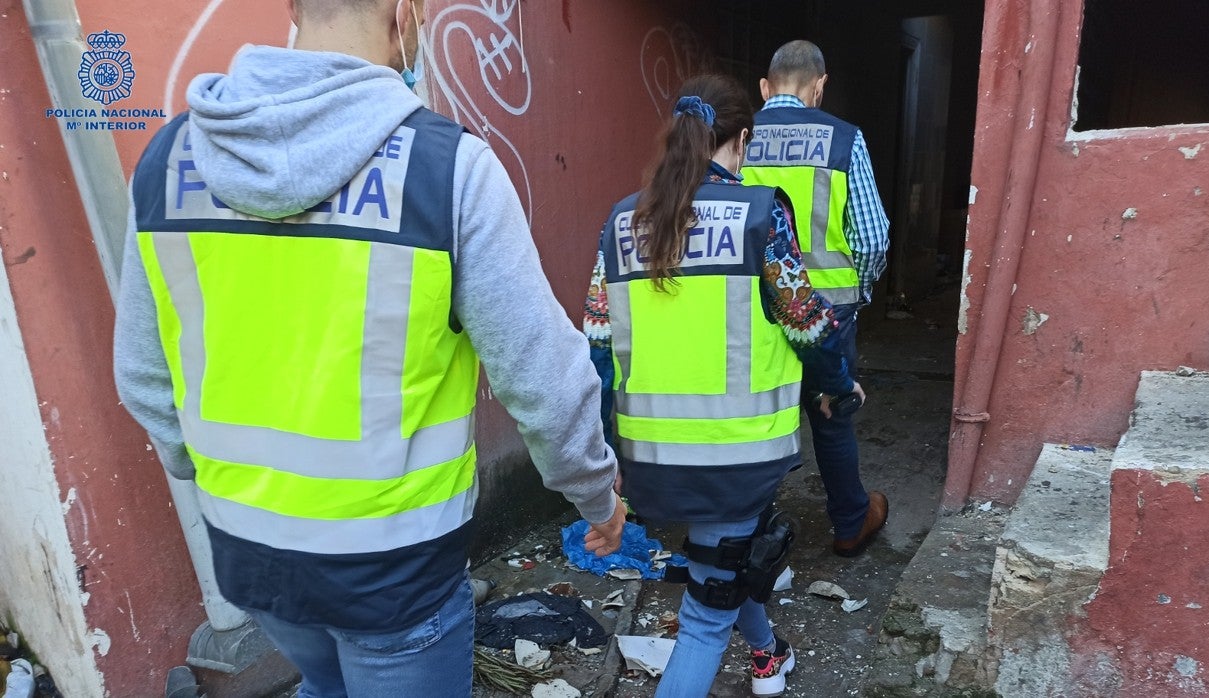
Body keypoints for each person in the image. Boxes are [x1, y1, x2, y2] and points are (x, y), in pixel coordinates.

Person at [112, 0, 625, 695]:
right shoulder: (449, 171)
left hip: (250, 554)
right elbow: (544, 380)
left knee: (326, 685)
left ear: (294, 6)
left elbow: (144, 376)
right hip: (395, 575)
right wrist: (598, 498)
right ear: (406, 14)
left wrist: (219, 481)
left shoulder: (168, 163)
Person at [584, 74, 865, 698]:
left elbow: (598, 349)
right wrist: (837, 388)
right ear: (743, 139)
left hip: (652, 456)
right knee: (705, 615)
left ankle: (768, 656)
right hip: (739, 452)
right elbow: (809, 324)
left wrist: (605, 454)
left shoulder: (622, 222)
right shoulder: (761, 214)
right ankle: (756, 656)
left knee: (721, 560)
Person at [741, 40, 891, 557]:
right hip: (829, 307)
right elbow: (872, 236)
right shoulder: (844, 138)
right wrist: (859, 290)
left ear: (766, 87)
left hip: (756, 304)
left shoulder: (738, 137)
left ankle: (749, 530)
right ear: (820, 86)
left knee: (760, 412)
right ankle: (850, 524)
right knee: (831, 412)